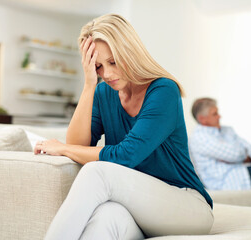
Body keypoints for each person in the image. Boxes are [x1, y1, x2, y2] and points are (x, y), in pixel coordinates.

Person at [34, 14, 213, 239]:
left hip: (187, 207)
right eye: (98, 66)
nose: (107, 74)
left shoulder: (164, 90)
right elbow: (78, 145)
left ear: (130, 52)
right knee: (107, 216)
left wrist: (62, 148)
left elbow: (126, 155)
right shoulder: (102, 92)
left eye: (113, 62)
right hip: (138, 208)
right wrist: (89, 85)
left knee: (97, 172)